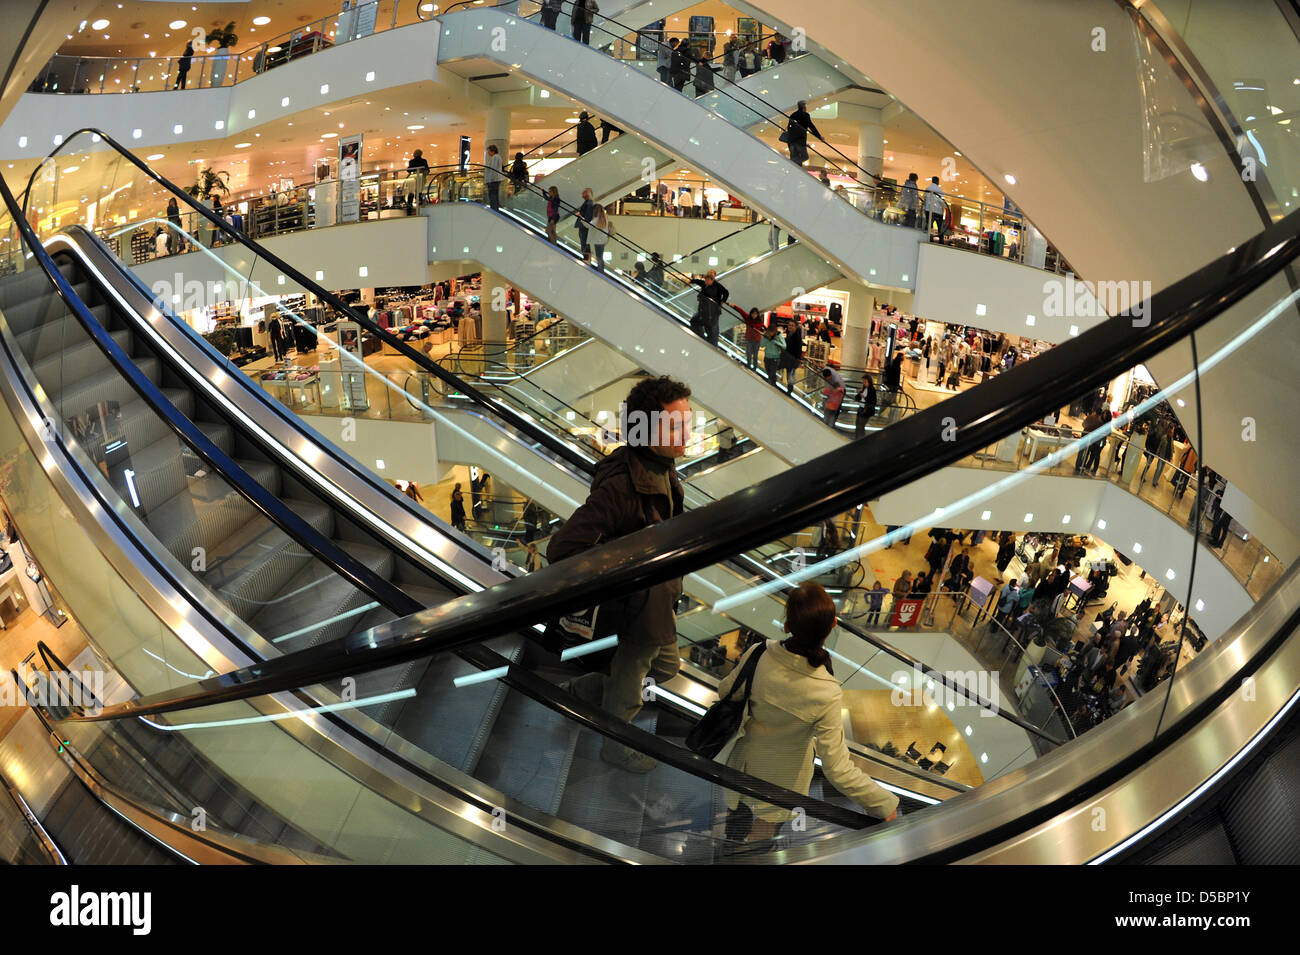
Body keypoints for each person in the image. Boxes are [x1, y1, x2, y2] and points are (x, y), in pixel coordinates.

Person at [554, 377, 692, 773]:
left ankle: (584, 690)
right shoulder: (622, 488)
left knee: (665, 668)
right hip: (637, 611)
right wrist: (627, 583)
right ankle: (614, 746)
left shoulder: (661, 467)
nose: (687, 433)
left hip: (655, 603)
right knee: (631, 689)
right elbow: (565, 549)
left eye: (687, 422)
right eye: (675, 425)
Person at [717, 582, 898, 847]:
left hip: (743, 761)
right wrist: (883, 804)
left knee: (737, 811)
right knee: (764, 832)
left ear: (787, 626)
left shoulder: (758, 654)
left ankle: (730, 842)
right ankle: (748, 853)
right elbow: (837, 768)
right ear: (833, 625)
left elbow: (725, 691)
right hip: (783, 782)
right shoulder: (826, 691)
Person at [690, 269, 729, 345]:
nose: (706, 281)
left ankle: (712, 344)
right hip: (704, 310)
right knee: (695, 322)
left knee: (712, 328)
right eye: (706, 279)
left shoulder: (717, 285)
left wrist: (722, 302)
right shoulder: (705, 284)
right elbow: (699, 281)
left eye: (712, 274)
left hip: (712, 311)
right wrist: (691, 281)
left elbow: (726, 292)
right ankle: (703, 339)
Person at [785, 100, 823, 166]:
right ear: (804, 107)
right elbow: (811, 126)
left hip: (791, 141)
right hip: (800, 141)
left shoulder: (793, 115)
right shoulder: (805, 115)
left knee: (795, 158)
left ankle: (793, 167)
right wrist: (819, 136)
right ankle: (789, 162)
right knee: (805, 157)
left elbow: (789, 128)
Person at [781, 319, 804, 395]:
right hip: (787, 358)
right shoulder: (789, 334)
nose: (790, 327)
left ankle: (789, 390)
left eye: (792, 325)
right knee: (789, 374)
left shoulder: (797, 337)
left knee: (790, 375)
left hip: (792, 360)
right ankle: (788, 389)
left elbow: (798, 350)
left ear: (796, 327)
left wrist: (797, 360)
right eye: (789, 325)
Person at [574, 187, 596, 262]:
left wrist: (579, 215)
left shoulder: (589, 203)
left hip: (584, 225)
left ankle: (587, 259)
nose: (582, 195)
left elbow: (587, 217)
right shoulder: (588, 202)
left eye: (583, 193)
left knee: (584, 241)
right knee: (584, 241)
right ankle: (586, 258)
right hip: (584, 225)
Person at [590, 203, 613, 272]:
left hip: (598, 239)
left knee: (599, 255)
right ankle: (601, 269)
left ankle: (600, 269)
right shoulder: (604, 218)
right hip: (603, 239)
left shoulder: (596, 218)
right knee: (600, 255)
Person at [855, 372, 877, 438]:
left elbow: (873, 401)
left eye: (865, 382)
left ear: (869, 382)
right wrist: (859, 393)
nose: (864, 383)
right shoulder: (864, 388)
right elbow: (857, 398)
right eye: (863, 382)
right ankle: (857, 439)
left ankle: (860, 440)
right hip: (861, 408)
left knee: (861, 426)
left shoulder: (872, 390)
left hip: (866, 410)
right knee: (857, 425)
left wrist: (864, 397)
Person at [484, 144, 505, 211]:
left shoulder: (495, 158)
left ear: (492, 151)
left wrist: (490, 180)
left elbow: (493, 169)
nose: (488, 153)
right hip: (496, 179)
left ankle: (494, 209)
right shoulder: (498, 157)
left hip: (494, 180)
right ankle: (495, 208)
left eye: (489, 151)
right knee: (495, 194)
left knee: (492, 195)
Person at [924, 175, 945, 240]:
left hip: (928, 209)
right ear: (937, 182)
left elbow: (926, 199)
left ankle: (927, 238)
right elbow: (941, 200)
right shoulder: (939, 190)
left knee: (928, 225)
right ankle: (941, 241)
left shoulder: (927, 188)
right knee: (940, 227)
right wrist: (944, 206)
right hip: (937, 211)